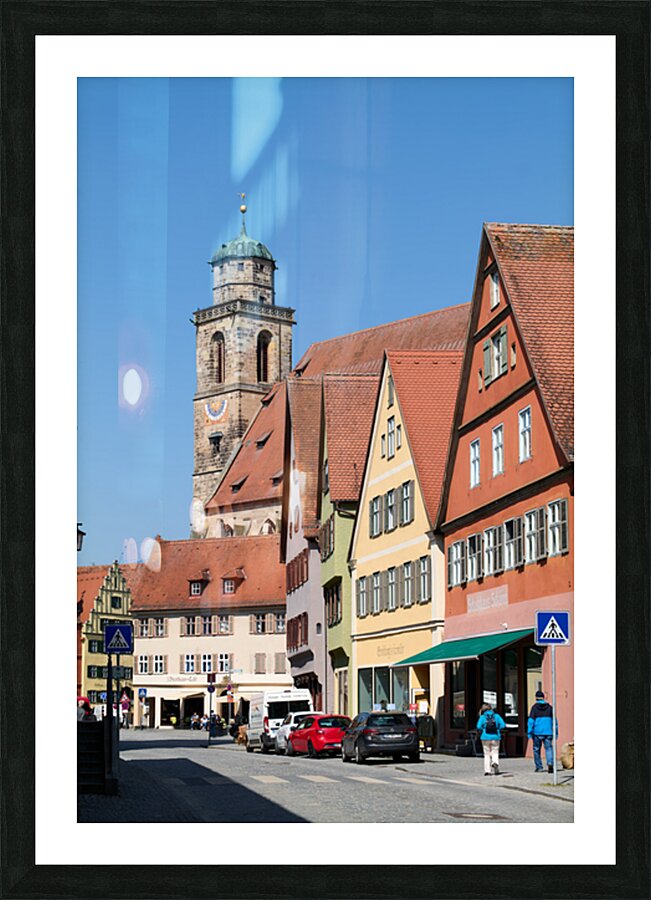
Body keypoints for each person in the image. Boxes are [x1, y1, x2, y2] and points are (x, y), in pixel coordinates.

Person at [527, 690, 558, 773]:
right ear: (543, 697)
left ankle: (539, 767)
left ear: (536, 698)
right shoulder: (550, 708)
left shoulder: (534, 708)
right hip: (548, 731)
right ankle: (550, 763)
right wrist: (556, 732)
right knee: (549, 748)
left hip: (537, 732)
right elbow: (554, 721)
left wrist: (529, 732)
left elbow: (531, 721)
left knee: (536, 749)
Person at [476, 703, 506, 775]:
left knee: (487, 754)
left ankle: (487, 770)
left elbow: (478, 726)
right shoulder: (497, 716)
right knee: (495, 752)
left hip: (485, 737)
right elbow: (503, 725)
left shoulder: (483, 717)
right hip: (495, 736)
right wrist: (497, 729)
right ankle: (495, 763)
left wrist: (484, 729)